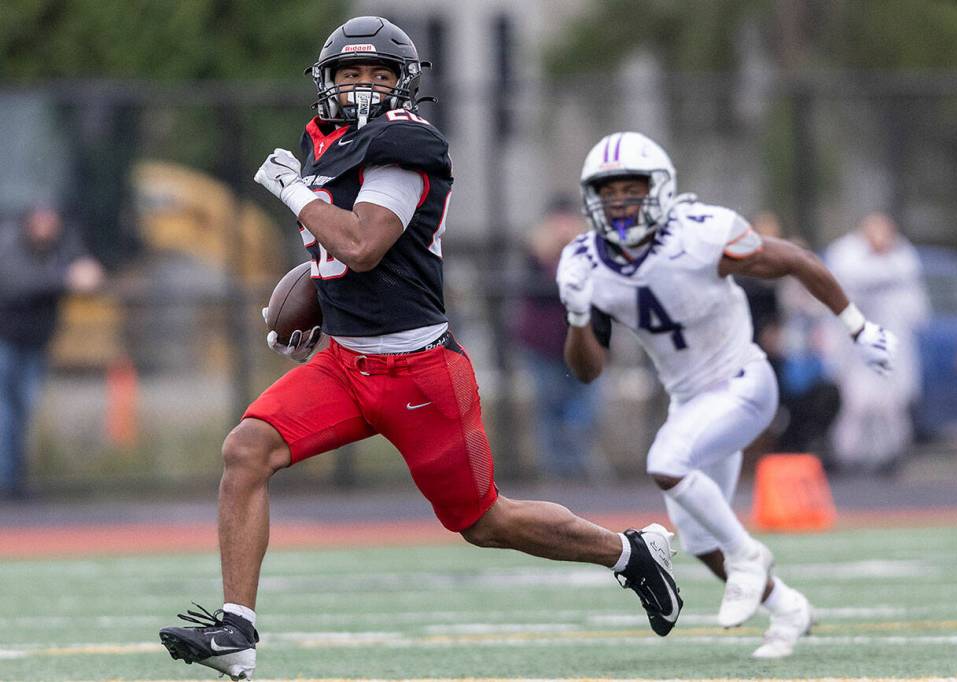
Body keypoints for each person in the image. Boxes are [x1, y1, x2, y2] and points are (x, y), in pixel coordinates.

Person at [157, 18, 681, 681]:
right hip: (344, 363)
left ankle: (629, 553)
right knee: (245, 448)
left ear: (403, 85)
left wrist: (292, 192)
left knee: (484, 521)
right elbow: (335, 258)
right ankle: (238, 629)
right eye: (351, 74)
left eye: (379, 75)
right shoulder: (321, 142)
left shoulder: (408, 145)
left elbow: (362, 243)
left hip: (418, 371)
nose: (364, 87)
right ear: (327, 82)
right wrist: (313, 309)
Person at [557, 132, 897, 658]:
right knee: (695, 537)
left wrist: (857, 327)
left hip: (745, 382)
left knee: (666, 460)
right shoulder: (585, 263)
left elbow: (795, 260)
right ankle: (788, 609)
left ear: (661, 189)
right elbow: (586, 371)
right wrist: (578, 318)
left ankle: (749, 553)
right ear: (591, 199)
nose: (620, 200)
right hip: (692, 403)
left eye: (632, 187)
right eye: (609, 190)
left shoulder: (701, 233)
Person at [0, 206, 104, 499]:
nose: (47, 227)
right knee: (6, 413)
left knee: (23, 411)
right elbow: (17, 281)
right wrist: (65, 278)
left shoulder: (58, 246)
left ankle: (14, 481)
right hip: (6, 341)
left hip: (35, 343)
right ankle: (7, 483)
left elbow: (85, 270)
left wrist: (87, 271)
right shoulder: (10, 242)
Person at [824, 212, 928, 474]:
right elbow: (855, 280)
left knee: (892, 406)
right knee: (857, 404)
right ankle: (847, 456)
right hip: (856, 346)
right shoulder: (846, 253)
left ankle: (891, 456)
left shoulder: (903, 254)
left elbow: (912, 295)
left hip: (894, 344)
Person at [513, 195, 603, 480]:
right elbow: (537, 289)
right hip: (545, 347)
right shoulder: (534, 252)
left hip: (584, 345)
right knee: (549, 406)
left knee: (584, 407)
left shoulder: (590, 252)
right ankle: (555, 471)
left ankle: (579, 465)